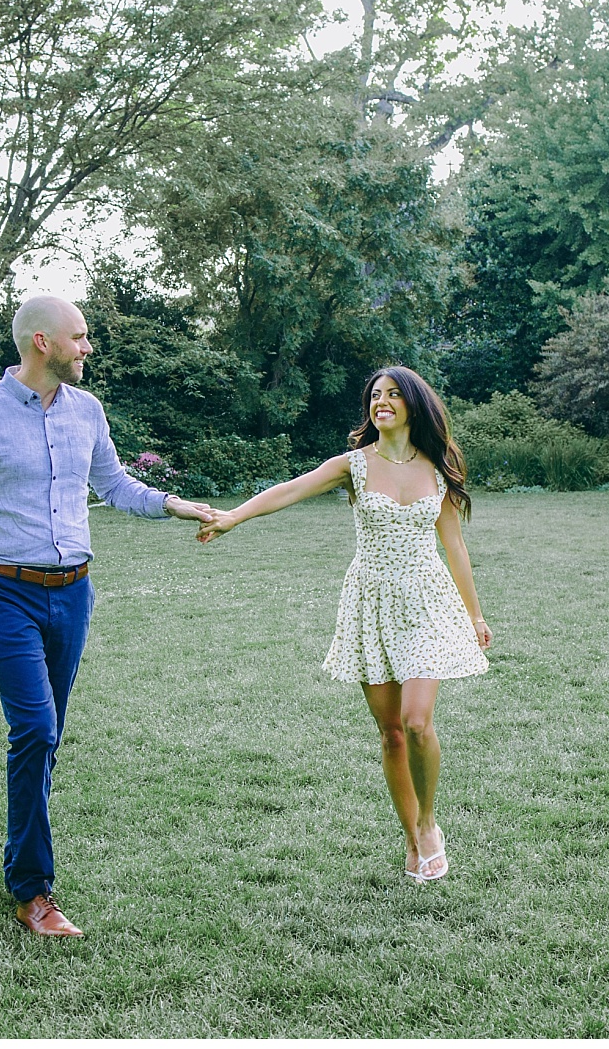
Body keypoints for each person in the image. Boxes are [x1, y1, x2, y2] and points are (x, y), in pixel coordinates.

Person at [0, 294, 216, 938]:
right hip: (3, 592)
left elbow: (114, 485)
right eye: (80, 338)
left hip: (73, 593)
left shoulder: (87, 411)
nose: (89, 348)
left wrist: (175, 505)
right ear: (42, 344)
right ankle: (33, 890)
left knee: (45, 739)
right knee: (36, 730)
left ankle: (23, 863)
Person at [196, 366, 490, 883]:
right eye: (375, 394)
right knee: (392, 732)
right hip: (370, 601)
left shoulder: (436, 469)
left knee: (418, 722)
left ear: (413, 405)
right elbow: (289, 490)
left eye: (394, 394)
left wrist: (475, 613)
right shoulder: (353, 465)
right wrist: (233, 517)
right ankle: (410, 836)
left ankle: (428, 823)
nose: (383, 401)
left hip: (426, 602)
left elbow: (455, 545)